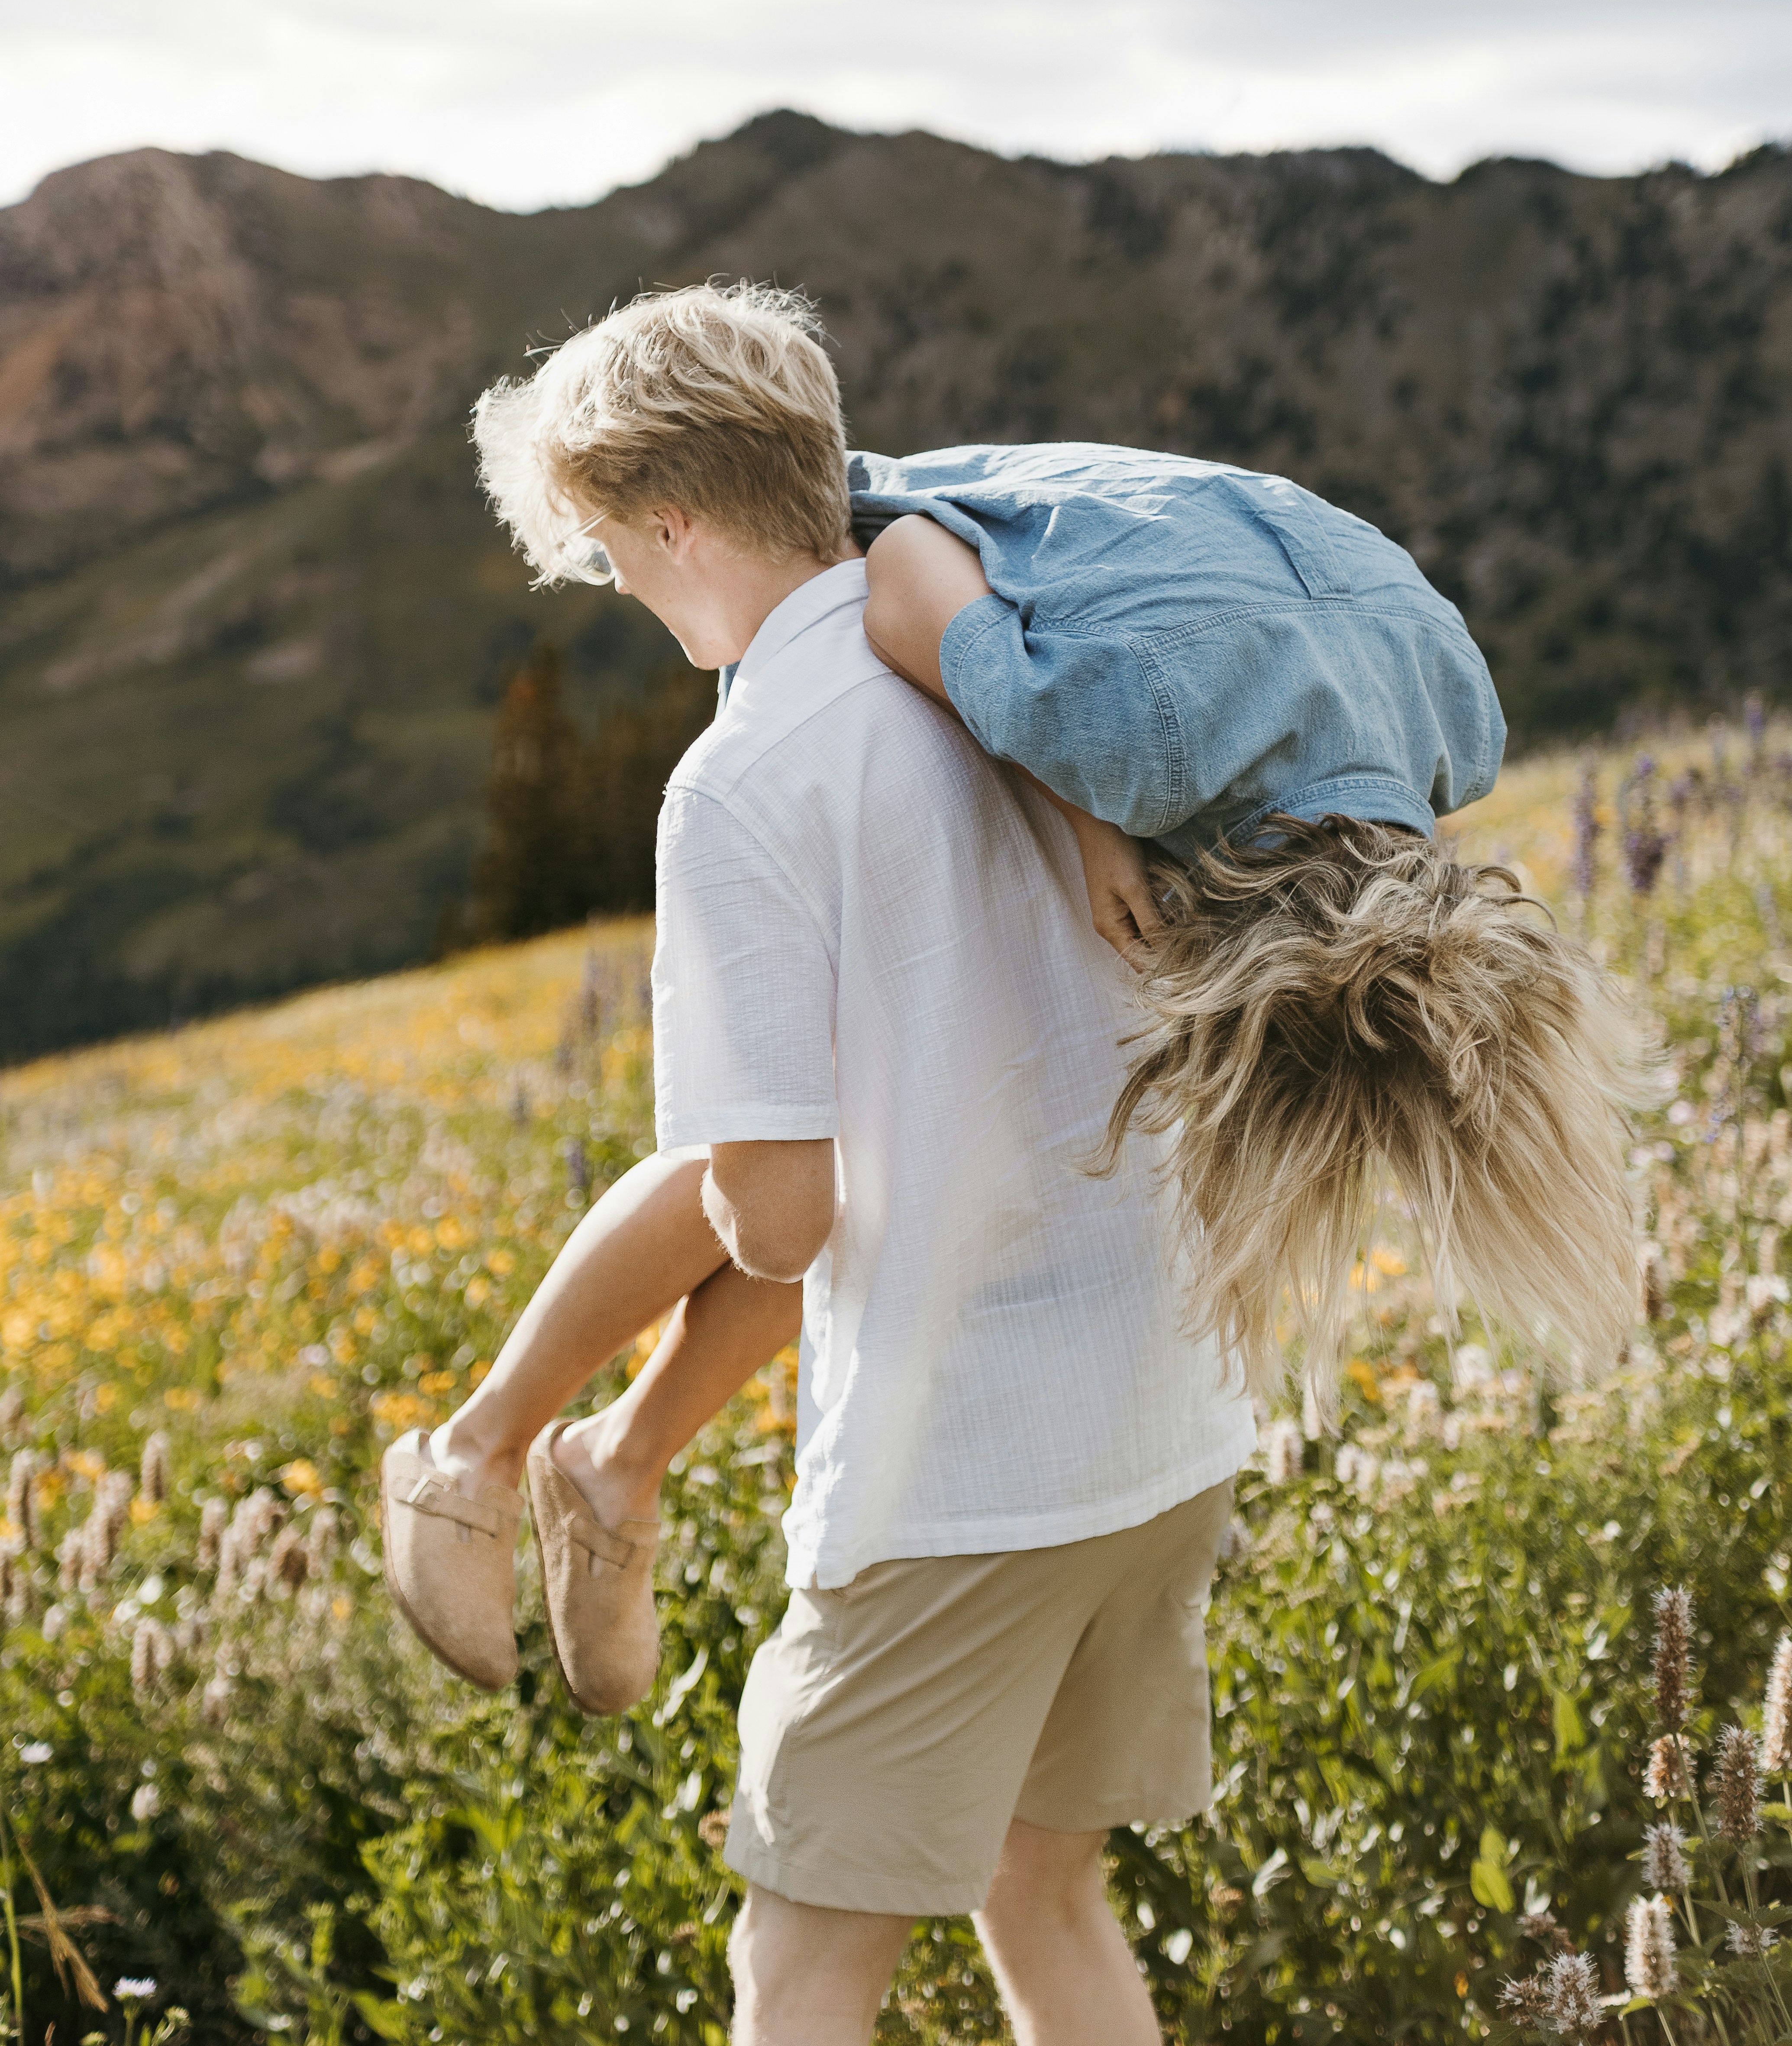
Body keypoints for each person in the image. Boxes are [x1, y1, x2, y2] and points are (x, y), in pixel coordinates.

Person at [384, 281, 1636, 1721]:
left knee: (857, 1141)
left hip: (1014, 612)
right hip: (917, 598)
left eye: (607, 556)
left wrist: (1094, 797)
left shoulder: (1403, 731)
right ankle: (484, 1449)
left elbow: (1057, 634)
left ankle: (601, 1460)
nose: (613, 588)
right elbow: (948, 599)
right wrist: (1093, 808)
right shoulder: (1136, 725)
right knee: (777, 1154)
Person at [388, 278, 1257, 2046]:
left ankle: (534, 1451)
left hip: (962, 1465)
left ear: (671, 519)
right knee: (1053, 1896)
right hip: (1162, 1412)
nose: (621, 589)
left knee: (799, 1972)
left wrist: (764, 1184)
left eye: (610, 550)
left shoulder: (750, 773)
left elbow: (774, 1215)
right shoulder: (1016, 669)